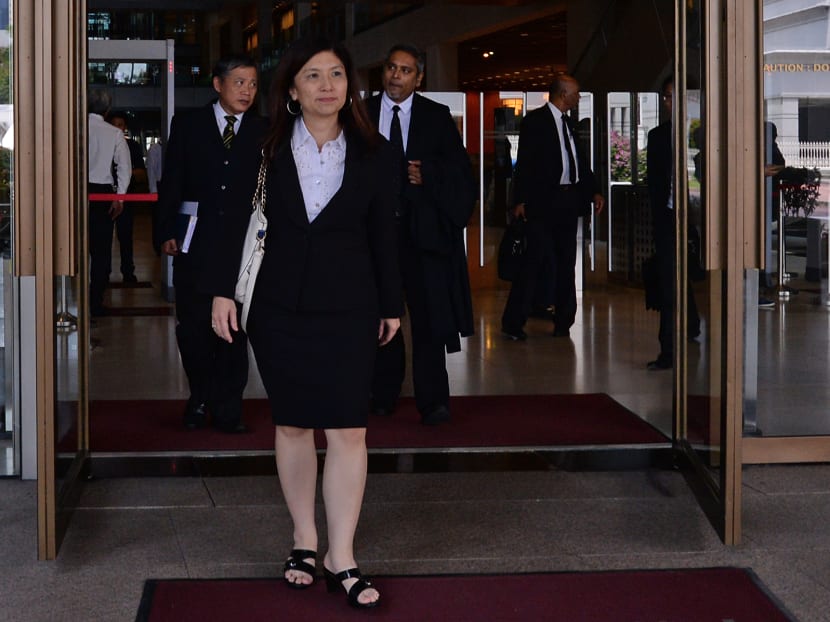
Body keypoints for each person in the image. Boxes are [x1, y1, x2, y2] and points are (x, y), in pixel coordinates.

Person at [211, 37, 402, 609]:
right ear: (292, 89)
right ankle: (304, 540)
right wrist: (223, 292)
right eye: (313, 76)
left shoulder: (375, 150)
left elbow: (384, 236)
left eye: (337, 75)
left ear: (350, 86)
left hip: (350, 305)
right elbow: (232, 221)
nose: (327, 85)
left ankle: (342, 555)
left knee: (349, 429)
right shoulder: (261, 146)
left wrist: (391, 304)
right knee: (292, 425)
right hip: (277, 305)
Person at [364, 43, 475, 425]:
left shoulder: (436, 116)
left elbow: (460, 171)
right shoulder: (360, 114)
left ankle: (434, 400)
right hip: (374, 235)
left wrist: (428, 173)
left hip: (423, 235)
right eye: (391, 68)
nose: (396, 75)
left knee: (429, 316)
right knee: (380, 315)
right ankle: (382, 394)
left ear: (419, 77)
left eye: (405, 70)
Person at [155, 54, 266, 432]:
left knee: (234, 330)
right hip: (194, 242)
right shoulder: (188, 125)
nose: (247, 91)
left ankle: (229, 405)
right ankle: (200, 395)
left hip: (242, 246)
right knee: (194, 328)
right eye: (239, 82)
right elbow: (172, 181)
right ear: (218, 85)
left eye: (252, 83)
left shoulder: (264, 130)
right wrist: (166, 230)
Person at [501, 73, 604, 340]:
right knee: (533, 261)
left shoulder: (569, 125)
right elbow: (524, 163)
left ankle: (563, 320)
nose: (578, 97)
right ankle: (515, 321)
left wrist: (593, 190)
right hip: (542, 203)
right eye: (576, 93)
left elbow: (579, 162)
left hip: (568, 203)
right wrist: (520, 201)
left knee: (566, 261)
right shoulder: (535, 122)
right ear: (563, 94)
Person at [646, 76, 701, 370]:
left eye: (674, 97)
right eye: (666, 97)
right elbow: (653, 183)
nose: (669, 103)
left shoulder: (704, 134)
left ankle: (692, 325)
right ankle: (667, 351)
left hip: (701, 218)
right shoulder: (657, 137)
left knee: (692, 276)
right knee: (668, 286)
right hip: (669, 219)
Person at [88, 90, 131, 317]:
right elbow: (124, 167)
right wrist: (120, 196)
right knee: (101, 252)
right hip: (102, 194)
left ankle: (72, 299)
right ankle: (95, 303)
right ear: (106, 110)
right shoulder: (113, 133)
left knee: (73, 248)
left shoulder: (73, 128)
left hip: (76, 193)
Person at [108, 111, 147, 283]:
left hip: (127, 196)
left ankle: (128, 272)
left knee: (125, 236)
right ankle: (103, 273)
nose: (118, 128)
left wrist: (127, 173)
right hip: (105, 196)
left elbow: (140, 171)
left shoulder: (132, 146)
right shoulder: (103, 144)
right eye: (114, 124)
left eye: (120, 124)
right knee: (104, 237)